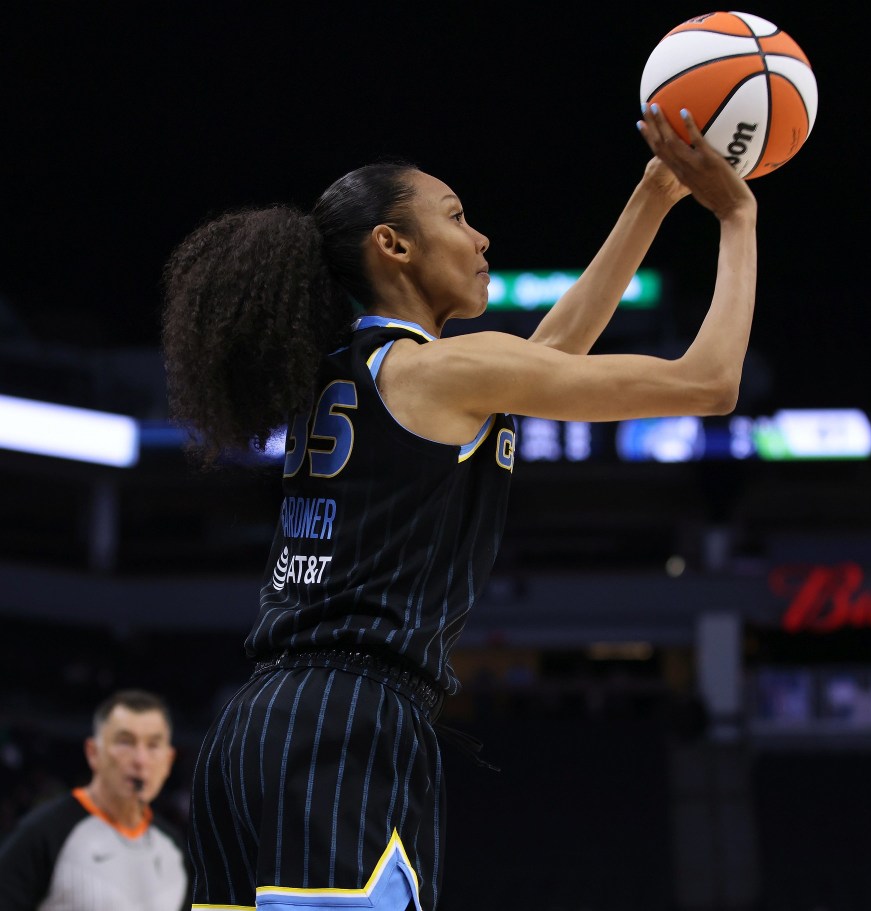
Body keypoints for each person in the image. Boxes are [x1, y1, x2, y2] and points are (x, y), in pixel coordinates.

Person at [161, 104, 757, 911]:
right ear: (392, 245)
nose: (480, 239)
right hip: (352, 722)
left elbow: (543, 361)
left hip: (254, 726)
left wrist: (652, 196)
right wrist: (737, 217)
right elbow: (710, 382)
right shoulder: (437, 373)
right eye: (456, 216)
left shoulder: (354, 368)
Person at [0, 689, 190, 911]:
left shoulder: (173, 847)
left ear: (168, 760)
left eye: (153, 745)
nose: (140, 760)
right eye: (125, 742)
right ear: (93, 753)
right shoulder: (45, 834)